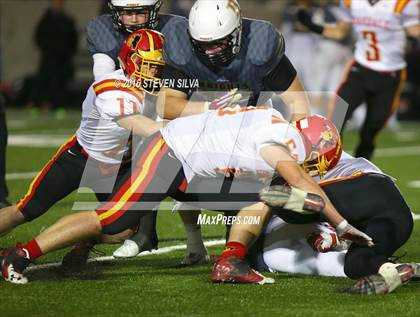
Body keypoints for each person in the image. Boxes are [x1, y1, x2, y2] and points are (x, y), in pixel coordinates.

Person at [1, 108, 371, 285]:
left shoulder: (275, 123)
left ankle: (230, 261)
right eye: (316, 161)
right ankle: (20, 255)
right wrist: (341, 224)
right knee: (114, 219)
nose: (312, 167)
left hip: (190, 164)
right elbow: (309, 188)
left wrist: (322, 223)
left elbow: (291, 192)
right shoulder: (277, 143)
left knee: (261, 197)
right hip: (170, 153)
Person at [119, 0, 313, 262]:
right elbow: (168, 105)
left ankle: (241, 241)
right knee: (160, 151)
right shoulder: (183, 49)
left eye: (218, 43)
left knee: (254, 228)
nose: (210, 52)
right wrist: (214, 109)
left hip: (248, 131)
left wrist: (295, 147)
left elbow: (299, 104)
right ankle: (151, 233)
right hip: (201, 125)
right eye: (204, 44)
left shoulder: (260, 47)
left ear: (236, 34)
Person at [0, 29, 166, 266]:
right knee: (25, 211)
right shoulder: (112, 86)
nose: (153, 73)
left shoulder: (153, 90)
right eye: (148, 66)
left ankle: (82, 245)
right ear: (131, 61)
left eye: (157, 67)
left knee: (126, 228)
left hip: (116, 168)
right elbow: (144, 126)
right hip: (81, 159)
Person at [248, 150, 418, 294]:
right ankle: (391, 271)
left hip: (356, 189)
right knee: (354, 263)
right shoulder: (345, 157)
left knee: (310, 208)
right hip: (398, 215)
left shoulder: (301, 155)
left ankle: (296, 203)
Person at [296, 0, 420, 159]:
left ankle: (363, 165)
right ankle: (328, 162)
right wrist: (311, 25)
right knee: (337, 119)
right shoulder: (351, 2)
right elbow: (340, 32)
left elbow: (414, 30)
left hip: (390, 76)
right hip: (360, 69)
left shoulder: (401, 3)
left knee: (371, 130)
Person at [31, 0, 78, 112]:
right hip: (48, 57)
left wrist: (66, 53)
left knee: (59, 81)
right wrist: (47, 49)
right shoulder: (45, 20)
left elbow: (73, 40)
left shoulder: (67, 20)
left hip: (63, 59)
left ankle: (58, 105)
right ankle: (40, 104)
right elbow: (39, 37)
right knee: (44, 80)